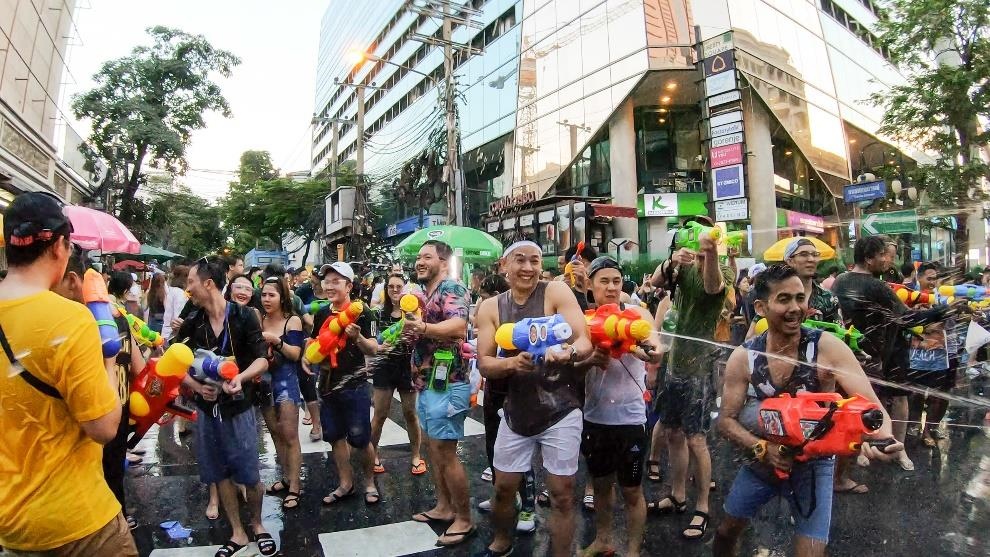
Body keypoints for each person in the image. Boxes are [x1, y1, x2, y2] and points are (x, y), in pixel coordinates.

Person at [713, 264, 903, 557]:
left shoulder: (827, 347)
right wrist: (763, 448)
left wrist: (882, 437)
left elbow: (872, 407)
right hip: (761, 464)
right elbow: (725, 421)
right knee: (725, 534)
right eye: (784, 299)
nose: (795, 308)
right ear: (761, 307)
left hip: (815, 467)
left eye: (800, 298)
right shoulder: (745, 357)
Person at [0, 192, 136, 556]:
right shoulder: (70, 320)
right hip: (79, 522)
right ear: (60, 247)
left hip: (11, 525)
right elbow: (104, 427)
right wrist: (108, 357)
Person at [476, 240, 594, 557]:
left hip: (562, 408)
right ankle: (502, 541)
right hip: (516, 411)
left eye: (535, 260)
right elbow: (484, 363)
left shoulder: (555, 292)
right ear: (504, 265)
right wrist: (512, 363)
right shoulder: (490, 308)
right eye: (520, 260)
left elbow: (584, 339)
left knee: (563, 494)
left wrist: (568, 353)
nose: (528, 267)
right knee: (503, 489)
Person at [832, 236, 960, 473]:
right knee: (890, 399)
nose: (889, 259)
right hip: (885, 351)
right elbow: (906, 318)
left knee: (857, 400)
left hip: (857, 351)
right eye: (883, 255)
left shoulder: (841, 280)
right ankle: (894, 448)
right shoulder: (875, 286)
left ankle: (859, 449)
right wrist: (942, 311)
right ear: (869, 259)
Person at [177, 257, 275, 557]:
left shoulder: (244, 316)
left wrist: (241, 379)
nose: (187, 288)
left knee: (250, 474)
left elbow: (262, 358)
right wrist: (196, 387)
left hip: (240, 408)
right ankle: (237, 531)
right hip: (207, 413)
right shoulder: (193, 320)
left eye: (191, 282)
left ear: (208, 283)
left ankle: (258, 525)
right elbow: (174, 360)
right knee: (219, 473)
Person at [646, 216, 734, 538]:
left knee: (697, 438)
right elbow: (655, 283)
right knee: (671, 432)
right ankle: (678, 495)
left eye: (702, 233)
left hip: (699, 369)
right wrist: (672, 260)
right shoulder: (680, 267)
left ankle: (703, 507)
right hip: (673, 365)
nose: (695, 237)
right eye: (691, 232)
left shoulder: (721, 268)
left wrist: (708, 254)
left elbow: (714, 287)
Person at [576, 257, 661, 557]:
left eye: (616, 281)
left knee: (632, 490)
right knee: (600, 486)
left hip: (630, 419)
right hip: (595, 417)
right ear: (590, 285)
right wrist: (591, 360)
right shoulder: (583, 320)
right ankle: (603, 540)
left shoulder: (637, 314)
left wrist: (640, 347)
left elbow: (657, 349)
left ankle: (634, 550)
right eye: (604, 281)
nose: (612, 287)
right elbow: (572, 363)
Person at [404, 240, 477, 547]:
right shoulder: (425, 293)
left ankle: (464, 519)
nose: (420, 261)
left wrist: (423, 330)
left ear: (444, 262)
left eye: (427, 257)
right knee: (435, 451)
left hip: (449, 384)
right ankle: (444, 507)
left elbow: (459, 326)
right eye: (418, 257)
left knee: (446, 453)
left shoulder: (452, 289)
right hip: (427, 383)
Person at [306, 262, 381, 507]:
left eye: (336, 281)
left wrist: (356, 336)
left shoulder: (363, 312)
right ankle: (345, 484)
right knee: (335, 437)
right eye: (327, 281)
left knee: (360, 439)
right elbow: (315, 342)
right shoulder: (321, 313)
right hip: (327, 385)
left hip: (355, 385)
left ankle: (369, 483)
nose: (329, 286)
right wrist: (307, 358)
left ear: (349, 286)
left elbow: (374, 348)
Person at [475, 272, 538, 535]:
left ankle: (528, 506)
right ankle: (503, 495)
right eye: (481, 299)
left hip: (519, 390)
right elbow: (484, 355)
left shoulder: (524, 319)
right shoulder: (487, 313)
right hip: (494, 388)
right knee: (494, 448)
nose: (482, 304)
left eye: (487, 298)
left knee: (520, 454)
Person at [369, 273, 426, 476]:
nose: (394, 290)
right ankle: (373, 454)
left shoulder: (413, 313)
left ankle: (416, 456)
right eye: (391, 286)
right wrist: (380, 346)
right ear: (385, 289)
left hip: (407, 367)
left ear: (405, 290)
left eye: (398, 286)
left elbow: (422, 338)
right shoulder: (377, 314)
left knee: (410, 414)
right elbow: (372, 341)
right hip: (383, 368)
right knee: (380, 414)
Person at [259, 276, 305, 510]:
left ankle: (295, 485)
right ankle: (286, 477)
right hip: (264, 384)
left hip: (286, 382)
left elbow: (296, 354)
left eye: (272, 295)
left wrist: (276, 341)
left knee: (290, 434)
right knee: (275, 433)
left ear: (282, 297)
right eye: (264, 294)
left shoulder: (293, 321)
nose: (267, 299)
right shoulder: (258, 319)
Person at [906, 262, 955, 447]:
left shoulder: (942, 297)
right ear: (919, 278)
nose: (932, 282)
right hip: (915, 356)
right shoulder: (911, 296)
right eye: (929, 278)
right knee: (916, 395)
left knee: (937, 396)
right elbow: (910, 322)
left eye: (935, 278)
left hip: (940, 355)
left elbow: (946, 321)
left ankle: (929, 430)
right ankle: (914, 427)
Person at [161, 265, 190, 342]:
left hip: (166, 333)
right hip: (172, 335)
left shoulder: (172, 290)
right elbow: (178, 317)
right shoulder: (180, 293)